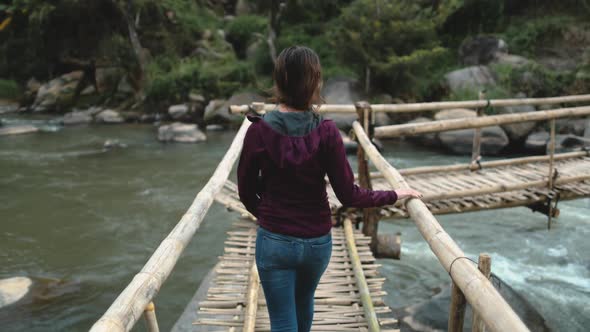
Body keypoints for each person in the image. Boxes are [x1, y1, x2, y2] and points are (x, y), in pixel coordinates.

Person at [237, 46, 423, 332]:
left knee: (282, 320)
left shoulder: (258, 131)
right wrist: (395, 195)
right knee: (304, 305)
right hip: (317, 242)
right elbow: (348, 195)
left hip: (275, 240)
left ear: (279, 81)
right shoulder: (326, 132)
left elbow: (246, 192)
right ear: (315, 82)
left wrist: (267, 216)